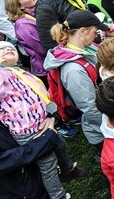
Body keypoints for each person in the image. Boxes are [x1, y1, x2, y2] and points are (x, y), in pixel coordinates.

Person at [0, 41, 88, 199]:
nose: (7, 49)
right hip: (29, 132)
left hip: (41, 121)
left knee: (60, 145)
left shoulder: (14, 70)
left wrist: (49, 112)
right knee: (48, 165)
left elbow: (37, 91)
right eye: (0, 50)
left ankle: (68, 169)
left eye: (9, 47)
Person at [43, 10, 105, 156]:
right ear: (82, 32)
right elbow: (89, 106)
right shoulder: (73, 70)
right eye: (94, 32)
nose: (96, 36)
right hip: (101, 128)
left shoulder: (84, 47)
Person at [5, 0, 47, 78]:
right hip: (46, 68)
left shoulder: (36, 13)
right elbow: (41, 49)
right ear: (20, 6)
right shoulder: (23, 25)